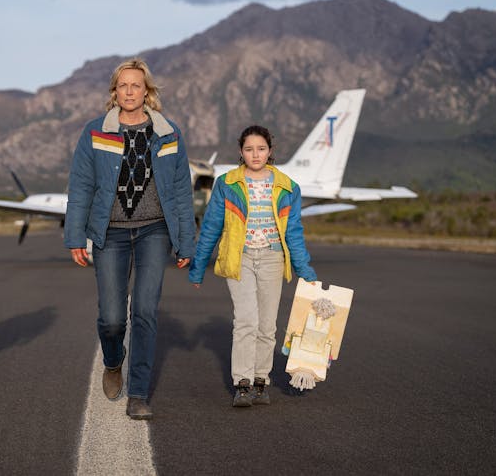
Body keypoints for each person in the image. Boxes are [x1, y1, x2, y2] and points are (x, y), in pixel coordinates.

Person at [65, 58, 196, 420]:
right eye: (123, 86)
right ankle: (112, 360)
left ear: (147, 91)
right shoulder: (95, 131)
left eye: (136, 85)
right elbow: (81, 187)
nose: (129, 91)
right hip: (111, 233)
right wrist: (76, 235)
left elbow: (182, 191)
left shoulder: (168, 133)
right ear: (114, 91)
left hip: (156, 229)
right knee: (111, 319)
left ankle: (138, 393)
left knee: (144, 312)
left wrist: (187, 241)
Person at [189, 125, 317, 407]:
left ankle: (261, 381)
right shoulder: (227, 183)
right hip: (240, 258)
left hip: (272, 258)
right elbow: (211, 226)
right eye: (249, 149)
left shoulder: (287, 186)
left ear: (270, 151)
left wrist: (305, 271)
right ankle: (242, 383)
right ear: (241, 152)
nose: (255, 154)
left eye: (261, 149)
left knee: (267, 325)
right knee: (246, 320)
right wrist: (198, 266)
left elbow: (293, 232)